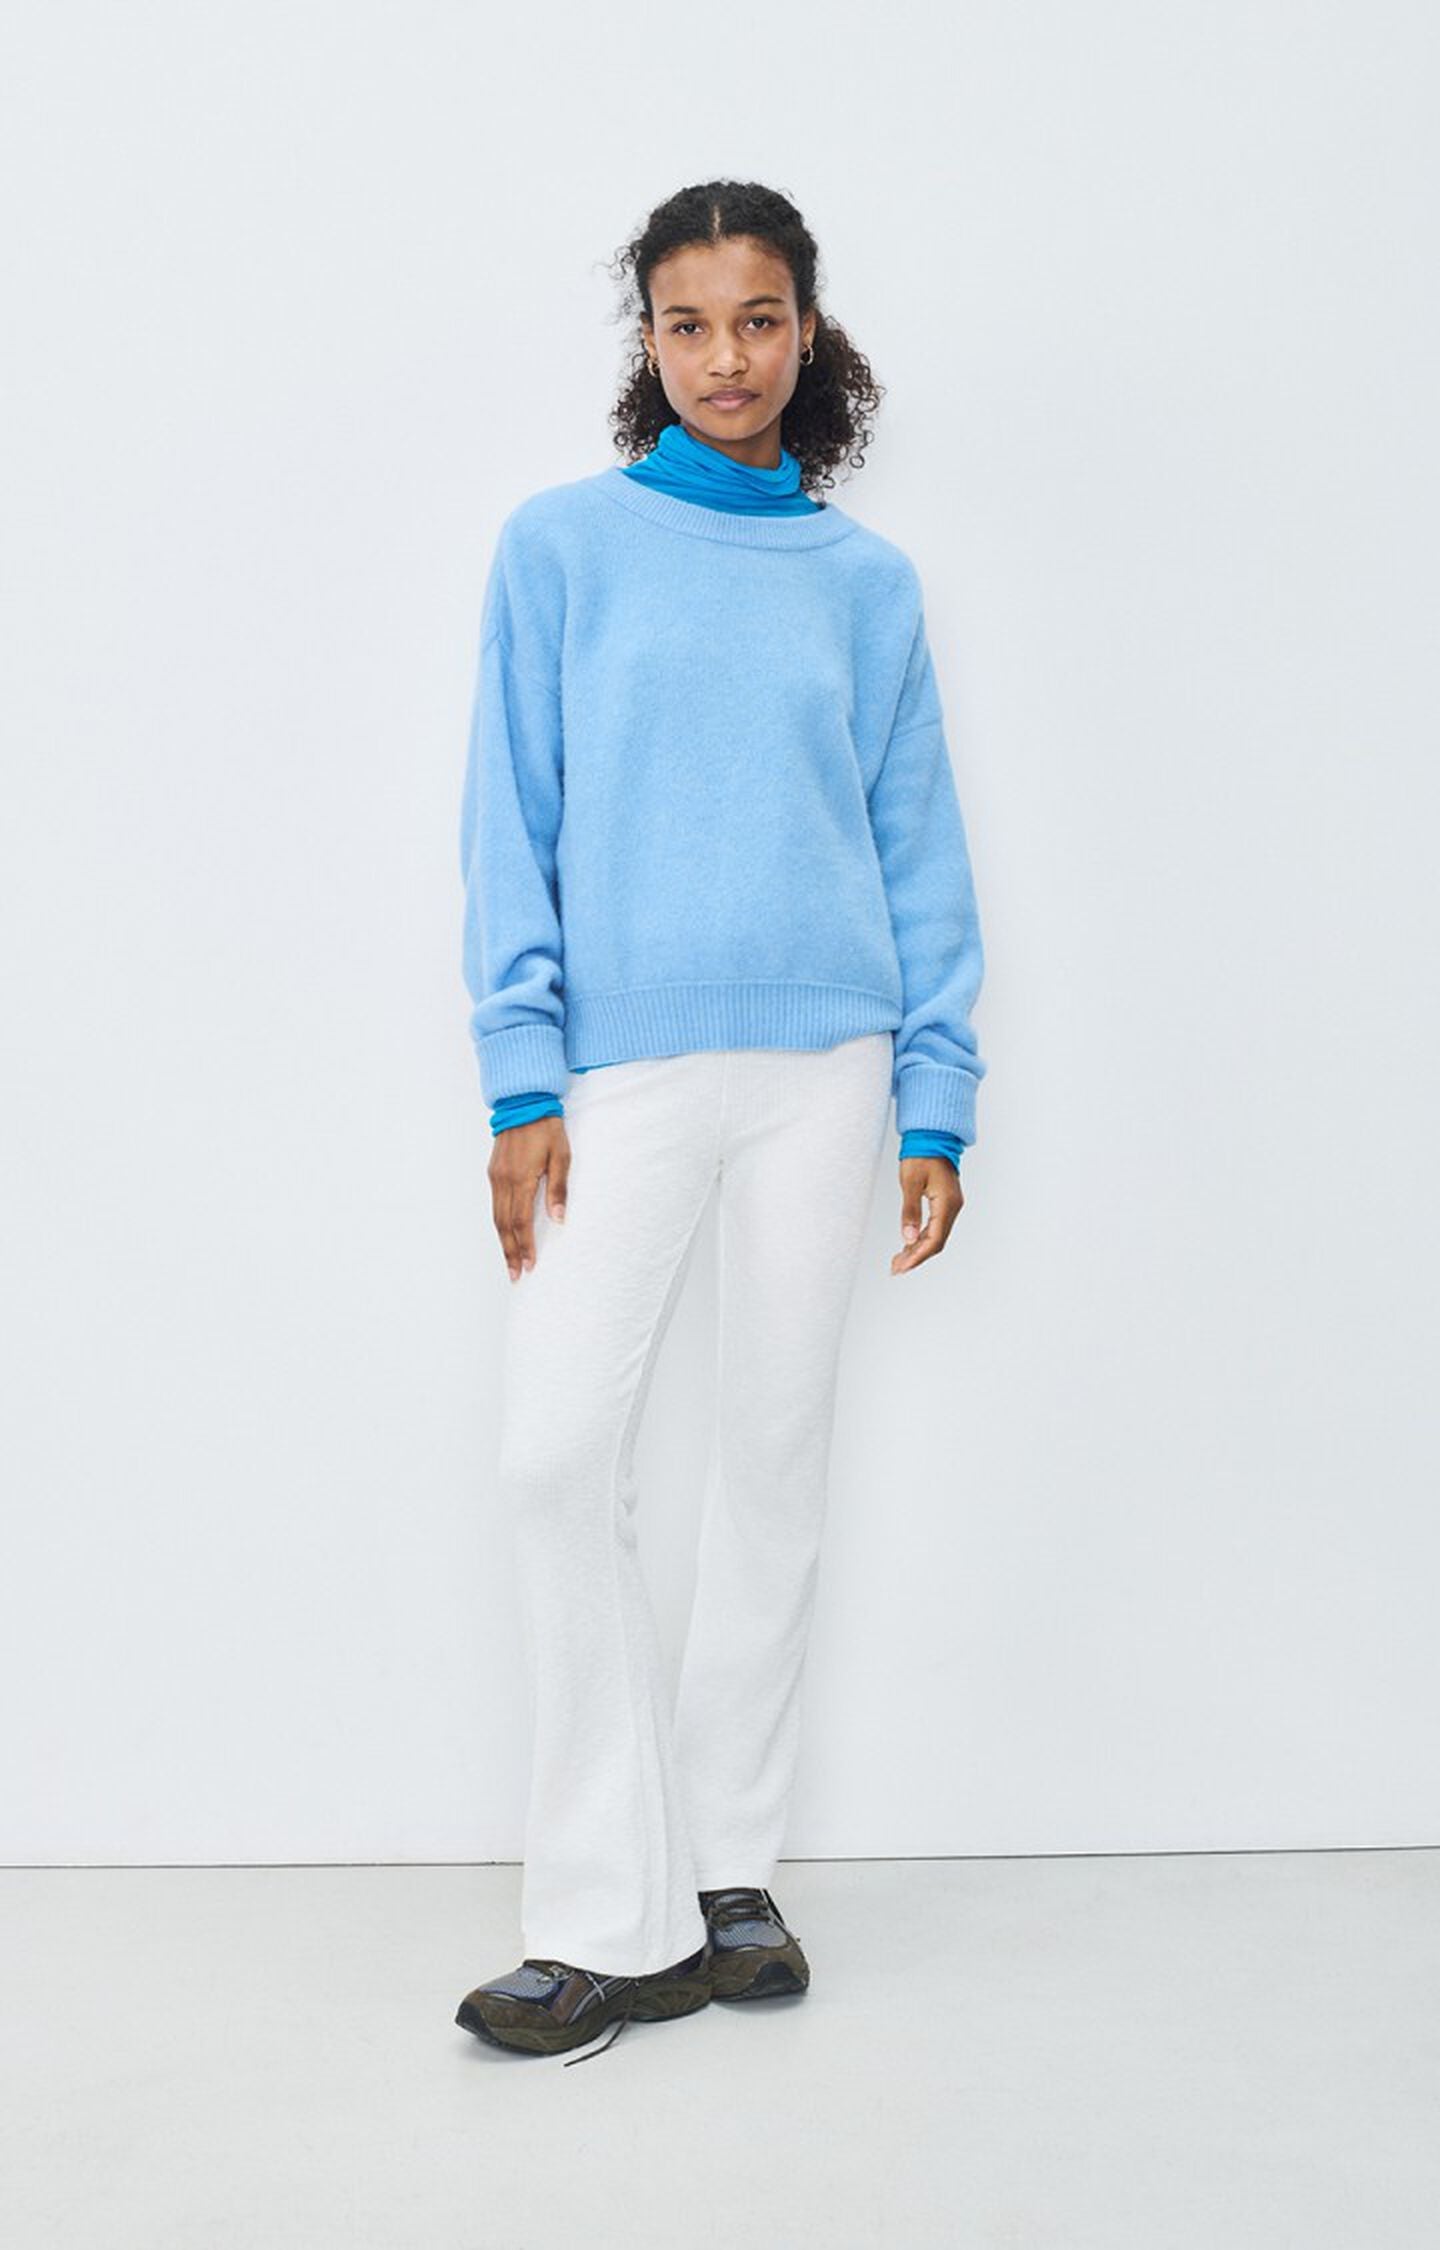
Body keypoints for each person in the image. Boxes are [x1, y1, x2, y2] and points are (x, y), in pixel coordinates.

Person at [453, 179, 987, 2064]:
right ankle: (607, 1913)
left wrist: (939, 1095)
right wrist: (523, 1076)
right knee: (555, 1457)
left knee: (771, 1456)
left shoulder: (868, 583)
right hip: (625, 1074)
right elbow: (509, 817)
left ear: (808, 332)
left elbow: (918, 847)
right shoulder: (563, 548)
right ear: (651, 342)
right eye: (688, 325)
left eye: (759, 320)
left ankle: (728, 1869)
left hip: (831, 1067)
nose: (726, 357)